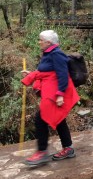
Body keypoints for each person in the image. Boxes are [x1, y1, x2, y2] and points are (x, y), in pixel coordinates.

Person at [21, 30, 80, 166]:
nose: (39, 42)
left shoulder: (56, 54)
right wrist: (31, 74)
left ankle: (42, 152)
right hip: (50, 91)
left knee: (40, 118)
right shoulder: (49, 53)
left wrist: (60, 95)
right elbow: (47, 71)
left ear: (48, 42)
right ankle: (68, 148)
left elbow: (63, 75)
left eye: (41, 40)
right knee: (59, 119)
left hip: (55, 93)